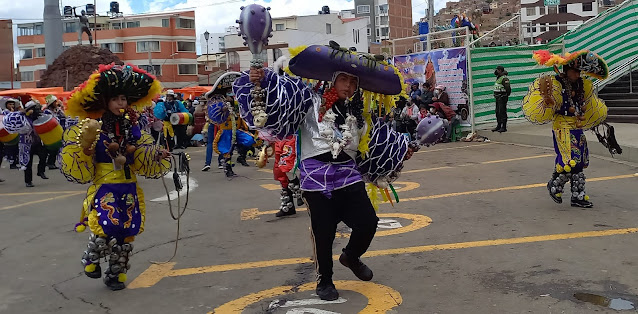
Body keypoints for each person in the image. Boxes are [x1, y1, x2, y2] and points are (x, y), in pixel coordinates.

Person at [234, 42, 419, 301]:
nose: (349, 86)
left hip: (348, 175)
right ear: (332, 79)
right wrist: (262, 81)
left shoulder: (361, 115)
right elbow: (275, 105)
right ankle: (325, 280)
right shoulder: (309, 100)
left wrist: (400, 151)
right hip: (314, 177)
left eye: (354, 82)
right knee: (323, 232)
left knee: (368, 223)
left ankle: (351, 257)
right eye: (344, 79)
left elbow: (376, 145)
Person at [60, 63, 170, 290]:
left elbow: (141, 153)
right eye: (117, 99)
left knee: (126, 235)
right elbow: (81, 160)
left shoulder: (133, 126)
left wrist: (156, 154)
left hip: (129, 186)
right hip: (105, 187)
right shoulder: (91, 127)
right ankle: (90, 258)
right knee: (105, 229)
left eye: (124, 99)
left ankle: (116, 274)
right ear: (105, 102)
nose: (122, 104)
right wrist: (86, 147)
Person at [522, 50, 610, 208]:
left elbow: (585, 104)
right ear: (566, 70)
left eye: (579, 71)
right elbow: (550, 105)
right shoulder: (556, 84)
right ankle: (555, 185)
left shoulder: (583, 84)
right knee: (571, 161)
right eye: (575, 71)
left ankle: (576, 195)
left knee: (581, 161)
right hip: (562, 126)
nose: (577, 74)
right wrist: (548, 101)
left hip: (577, 126)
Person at [207, 93, 257, 177]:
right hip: (226, 132)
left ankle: (241, 156)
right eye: (228, 96)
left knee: (249, 140)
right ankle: (228, 169)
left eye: (231, 96)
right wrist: (224, 109)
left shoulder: (237, 105)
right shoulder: (220, 106)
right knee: (227, 151)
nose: (230, 98)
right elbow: (216, 115)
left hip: (237, 130)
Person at [44, 95, 66, 170]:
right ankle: (50, 163)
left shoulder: (56, 110)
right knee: (53, 148)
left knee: (56, 148)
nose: (56, 103)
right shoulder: (47, 112)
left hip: (58, 131)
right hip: (51, 132)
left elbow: (64, 115)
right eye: (55, 102)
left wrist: (61, 107)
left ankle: (51, 162)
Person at [493, 65, 511, 133]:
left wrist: (505, 95)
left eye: (497, 70)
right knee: (497, 112)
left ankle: (504, 127)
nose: (496, 71)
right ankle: (499, 125)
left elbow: (508, 88)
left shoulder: (504, 78)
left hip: (502, 97)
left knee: (502, 111)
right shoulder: (499, 78)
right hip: (498, 97)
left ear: (500, 70)